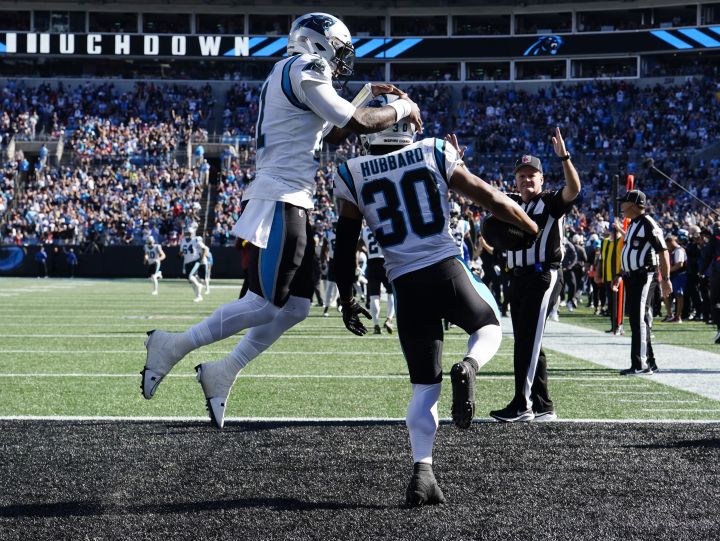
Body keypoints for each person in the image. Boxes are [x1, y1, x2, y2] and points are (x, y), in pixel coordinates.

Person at [141, 12, 423, 430]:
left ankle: (223, 371)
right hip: (280, 196)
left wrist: (362, 95)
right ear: (319, 43)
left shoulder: (289, 71)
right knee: (264, 301)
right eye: (340, 51)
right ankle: (172, 345)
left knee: (293, 308)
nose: (342, 62)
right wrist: (404, 106)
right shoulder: (303, 65)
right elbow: (355, 123)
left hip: (293, 197)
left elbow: (330, 133)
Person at [331, 101, 538, 506]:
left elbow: (343, 248)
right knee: (489, 324)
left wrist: (346, 297)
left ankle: (422, 472)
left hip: (405, 286)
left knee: (424, 387)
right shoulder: (431, 150)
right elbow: (490, 197)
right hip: (445, 268)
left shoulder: (349, 173)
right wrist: (529, 227)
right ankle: (470, 365)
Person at [489, 128, 581, 423]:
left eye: (532, 175)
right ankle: (543, 405)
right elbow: (484, 196)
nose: (526, 180)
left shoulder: (551, 202)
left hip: (542, 276)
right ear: (514, 179)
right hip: (517, 278)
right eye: (521, 175)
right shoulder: (514, 203)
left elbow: (574, 190)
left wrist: (564, 157)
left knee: (527, 342)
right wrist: (460, 165)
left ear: (542, 179)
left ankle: (522, 404)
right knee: (530, 342)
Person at [615, 189, 672, 374]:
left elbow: (662, 251)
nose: (621, 206)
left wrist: (666, 279)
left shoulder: (648, 223)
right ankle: (649, 361)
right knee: (639, 319)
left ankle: (641, 364)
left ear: (632, 205)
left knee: (639, 319)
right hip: (632, 277)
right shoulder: (633, 224)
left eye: (623, 203)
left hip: (644, 276)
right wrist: (621, 273)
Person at [360, 223, 395, 334]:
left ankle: (376, 324)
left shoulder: (365, 230)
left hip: (371, 263)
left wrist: (367, 251)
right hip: (385, 261)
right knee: (392, 293)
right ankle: (389, 319)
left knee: (374, 295)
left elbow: (359, 245)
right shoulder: (386, 225)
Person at [179, 226, 209, 302]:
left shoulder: (196, 240)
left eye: (190, 233)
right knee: (190, 281)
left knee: (190, 276)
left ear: (193, 233)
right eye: (187, 233)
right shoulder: (183, 241)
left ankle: (199, 285)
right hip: (187, 262)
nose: (188, 234)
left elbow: (204, 248)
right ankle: (198, 296)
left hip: (195, 261)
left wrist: (201, 258)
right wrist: (180, 254)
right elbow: (182, 251)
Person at [663, 235, 687, 323]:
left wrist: (668, 271)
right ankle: (670, 315)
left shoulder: (679, 250)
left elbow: (679, 264)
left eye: (667, 244)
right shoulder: (672, 251)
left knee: (679, 295)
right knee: (666, 294)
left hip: (679, 275)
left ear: (671, 242)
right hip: (672, 275)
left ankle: (678, 316)